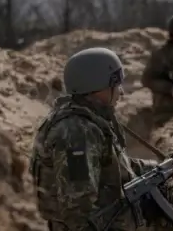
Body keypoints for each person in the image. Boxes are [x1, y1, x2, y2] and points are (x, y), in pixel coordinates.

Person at [29, 47, 161, 231]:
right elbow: (78, 211)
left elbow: (111, 166)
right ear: (96, 87)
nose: (121, 92)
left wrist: (153, 168)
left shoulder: (90, 120)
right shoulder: (76, 134)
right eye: (115, 84)